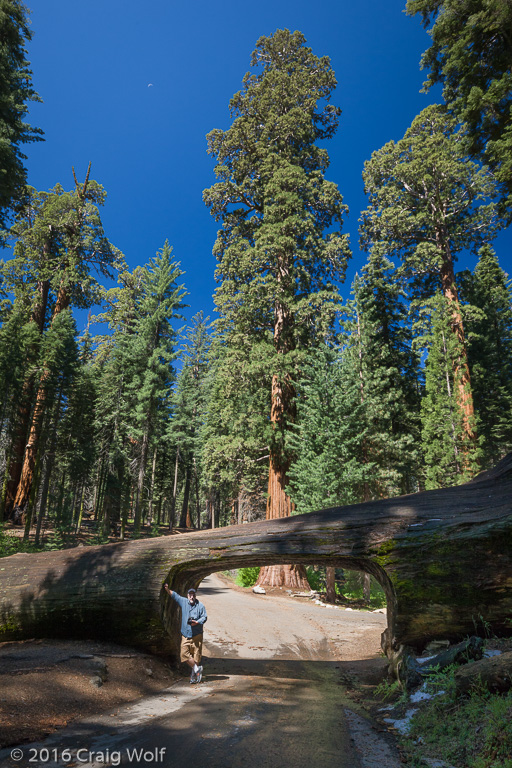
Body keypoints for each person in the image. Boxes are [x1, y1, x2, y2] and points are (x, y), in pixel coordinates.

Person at [164, 584, 207, 683]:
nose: (192, 597)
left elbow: (204, 617)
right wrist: (167, 589)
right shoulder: (183, 602)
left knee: (196, 655)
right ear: (187, 595)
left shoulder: (200, 605)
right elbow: (174, 595)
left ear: (195, 596)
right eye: (190, 595)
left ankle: (194, 675)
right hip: (185, 634)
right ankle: (197, 669)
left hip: (197, 634)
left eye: (193, 595)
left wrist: (197, 622)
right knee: (184, 654)